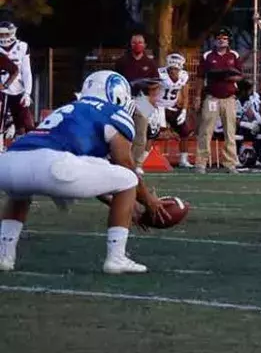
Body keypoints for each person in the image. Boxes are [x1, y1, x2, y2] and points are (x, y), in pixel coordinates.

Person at [0, 71, 172, 274]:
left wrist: (122, 203)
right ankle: (116, 258)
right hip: (54, 165)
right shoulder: (114, 113)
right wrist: (149, 202)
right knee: (127, 178)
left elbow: (89, 171)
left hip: (9, 163)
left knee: (20, 192)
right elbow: (124, 164)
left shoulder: (66, 108)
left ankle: (4, 255)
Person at [197, 28, 245, 172]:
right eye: (218, 37)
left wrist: (228, 77)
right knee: (206, 130)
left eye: (224, 38)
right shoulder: (207, 56)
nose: (221, 40)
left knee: (230, 131)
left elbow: (240, 76)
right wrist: (198, 97)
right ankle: (201, 162)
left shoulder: (234, 55)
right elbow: (200, 77)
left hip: (229, 98)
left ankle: (230, 163)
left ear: (228, 40)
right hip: (212, 97)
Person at [117, 34, 162, 161]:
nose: (137, 45)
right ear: (130, 44)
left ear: (145, 45)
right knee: (122, 131)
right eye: (134, 42)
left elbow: (156, 83)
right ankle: (122, 160)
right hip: (125, 99)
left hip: (143, 100)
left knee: (142, 132)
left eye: (140, 42)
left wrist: (152, 99)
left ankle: (137, 163)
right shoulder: (122, 62)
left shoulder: (150, 63)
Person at [0, 20, 34, 146]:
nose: (3, 37)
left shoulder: (22, 47)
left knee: (25, 124)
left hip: (18, 89)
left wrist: (27, 93)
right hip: (1, 89)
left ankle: (21, 147)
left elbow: (26, 71)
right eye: (0, 34)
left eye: (5, 34)